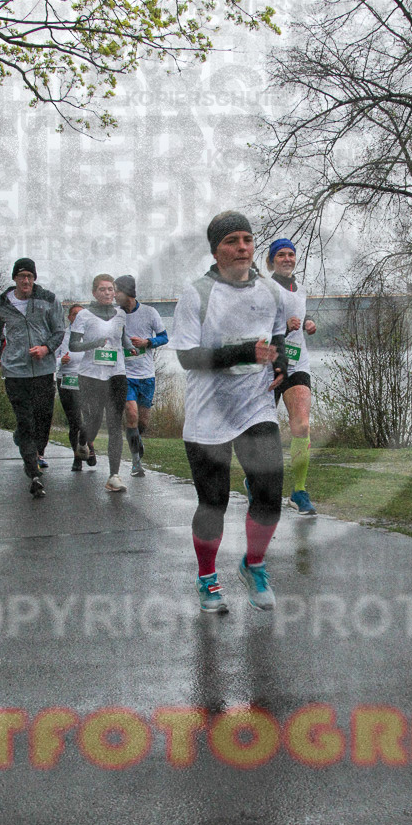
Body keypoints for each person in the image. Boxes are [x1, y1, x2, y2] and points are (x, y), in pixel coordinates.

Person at [171, 210, 288, 613]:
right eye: (232, 241)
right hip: (209, 415)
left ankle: (253, 564)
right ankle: (207, 579)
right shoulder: (197, 294)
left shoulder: (271, 292)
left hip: (255, 407)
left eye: (247, 239)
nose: (242, 247)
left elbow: (276, 338)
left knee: (270, 494)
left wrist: (280, 364)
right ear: (216, 250)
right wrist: (242, 352)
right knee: (213, 503)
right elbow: (187, 357)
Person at [0, 258, 65, 498]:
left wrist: (46, 348)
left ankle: (29, 446)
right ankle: (34, 473)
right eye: (22, 276)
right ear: (15, 279)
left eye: (30, 276)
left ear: (34, 279)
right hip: (15, 371)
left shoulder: (48, 300)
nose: (26, 281)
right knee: (25, 420)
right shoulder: (1, 304)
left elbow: (60, 331)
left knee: (42, 419)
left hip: (42, 369)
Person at [265, 238, 318, 515]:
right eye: (281, 255)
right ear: (272, 260)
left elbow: (301, 314)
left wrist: (308, 323)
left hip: (298, 363)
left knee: (302, 425)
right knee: (261, 430)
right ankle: (255, 479)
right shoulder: (265, 288)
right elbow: (258, 329)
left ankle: (299, 491)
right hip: (270, 365)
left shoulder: (302, 289)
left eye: (291, 254)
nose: (287, 259)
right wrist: (283, 328)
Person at [69, 274, 134, 492]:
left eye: (111, 289)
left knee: (116, 423)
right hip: (91, 375)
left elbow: (122, 338)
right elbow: (73, 345)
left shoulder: (121, 315)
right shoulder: (84, 316)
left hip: (116, 373)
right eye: (103, 289)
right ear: (94, 292)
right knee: (94, 419)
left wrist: (130, 347)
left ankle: (114, 476)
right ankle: (83, 441)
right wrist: (94, 343)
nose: (108, 293)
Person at [114, 274, 169, 477]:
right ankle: (136, 463)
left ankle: (136, 440)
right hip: (125, 373)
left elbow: (164, 337)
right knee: (132, 414)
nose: (113, 296)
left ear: (127, 291)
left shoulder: (149, 312)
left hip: (146, 374)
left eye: (116, 291)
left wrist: (147, 342)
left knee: (142, 422)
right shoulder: (115, 315)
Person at [55, 303, 91, 472]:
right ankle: (77, 457)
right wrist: (60, 361)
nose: (78, 317)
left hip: (87, 380)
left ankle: (86, 445)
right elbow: (50, 360)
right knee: (75, 421)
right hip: (66, 380)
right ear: (69, 318)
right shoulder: (61, 336)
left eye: (82, 315)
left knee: (90, 419)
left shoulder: (91, 335)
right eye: (75, 314)